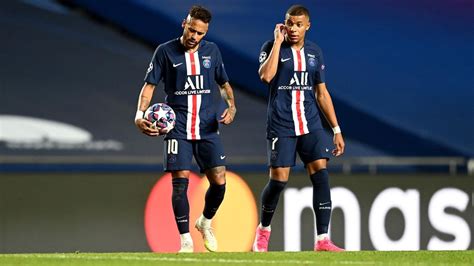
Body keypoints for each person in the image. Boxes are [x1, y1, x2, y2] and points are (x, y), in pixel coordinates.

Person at [134, 6, 237, 253]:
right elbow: (149, 86)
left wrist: (232, 106)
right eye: (192, 30)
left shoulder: (213, 51)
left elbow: (223, 84)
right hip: (177, 127)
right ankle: (185, 241)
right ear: (184, 24)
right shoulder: (165, 52)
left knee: (220, 181)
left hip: (207, 127)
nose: (194, 36)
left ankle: (205, 222)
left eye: (200, 33)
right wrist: (139, 115)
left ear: (206, 32)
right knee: (179, 183)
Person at [253, 5, 345, 252]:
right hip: (282, 124)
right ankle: (263, 230)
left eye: (298, 24)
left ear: (307, 26)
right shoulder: (271, 48)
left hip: (311, 123)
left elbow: (321, 92)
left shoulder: (315, 52)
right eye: (289, 23)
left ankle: (323, 239)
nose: (292, 29)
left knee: (321, 173)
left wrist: (335, 129)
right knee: (279, 181)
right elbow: (266, 77)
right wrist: (275, 43)